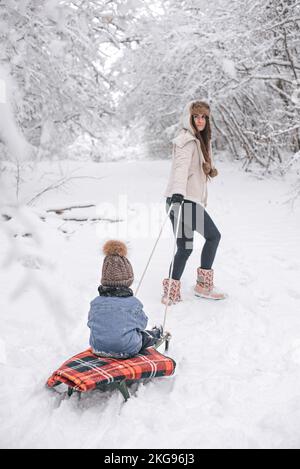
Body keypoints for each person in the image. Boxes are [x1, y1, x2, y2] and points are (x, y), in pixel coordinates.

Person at [162, 99, 227, 304]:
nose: (200, 120)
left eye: (204, 117)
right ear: (189, 117)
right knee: (213, 236)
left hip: (177, 201)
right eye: (196, 116)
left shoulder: (197, 141)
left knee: (185, 247)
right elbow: (180, 168)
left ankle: (171, 293)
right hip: (183, 201)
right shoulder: (187, 141)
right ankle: (203, 285)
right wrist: (179, 193)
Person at [87, 240, 163, 359]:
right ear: (127, 281)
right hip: (126, 349)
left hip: (98, 347)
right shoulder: (133, 304)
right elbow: (142, 324)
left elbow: (92, 323)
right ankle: (156, 335)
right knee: (142, 336)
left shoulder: (95, 303)